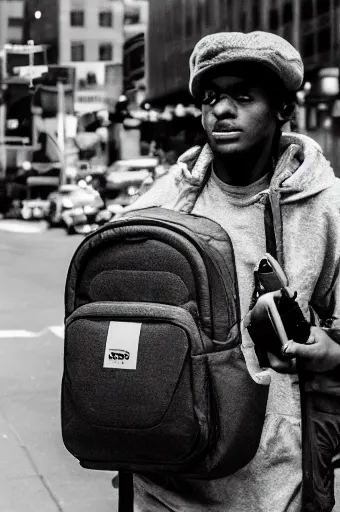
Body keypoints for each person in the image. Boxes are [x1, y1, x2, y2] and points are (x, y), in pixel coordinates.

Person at [124, 31, 340, 511]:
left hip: (270, 481)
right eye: (212, 97)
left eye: (243, 96)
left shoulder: (327, 207)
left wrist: (332, 350)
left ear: (284, 109)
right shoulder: (161, 203)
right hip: (165, 477)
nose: (222, 109)